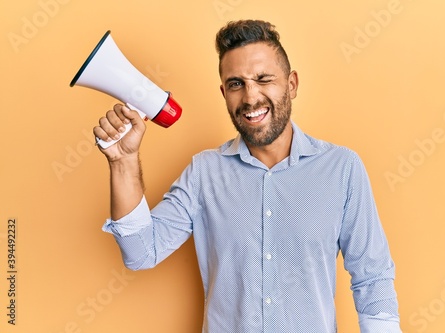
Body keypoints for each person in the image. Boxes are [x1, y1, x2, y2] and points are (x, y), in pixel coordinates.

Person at [94, 19, 402, 333]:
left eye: (263, 79)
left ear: (291, 84)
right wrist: (123, 161)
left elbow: (372, 277)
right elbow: (141, 252)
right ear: (224, 92)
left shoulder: (342, 168)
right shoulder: (204, 172)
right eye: (236, 83)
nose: (251, 97)